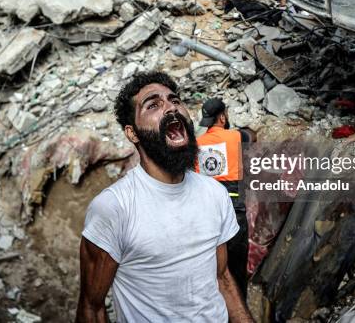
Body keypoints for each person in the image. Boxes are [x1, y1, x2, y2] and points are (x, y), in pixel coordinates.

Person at [76, 71, 254, 322]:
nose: (171, 107)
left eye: (175, 100)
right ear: (132, 133)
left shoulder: (214, 193)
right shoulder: (114, 208)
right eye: (153, 105)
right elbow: (91, 308)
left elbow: (222, 277)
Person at [196, 97, 255, 298]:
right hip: (234, 213)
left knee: (213, 272)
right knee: (237, 272)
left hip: (207, 217)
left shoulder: (196, 144)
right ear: (222, 117)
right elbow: (251, 137)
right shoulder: (238, 137)